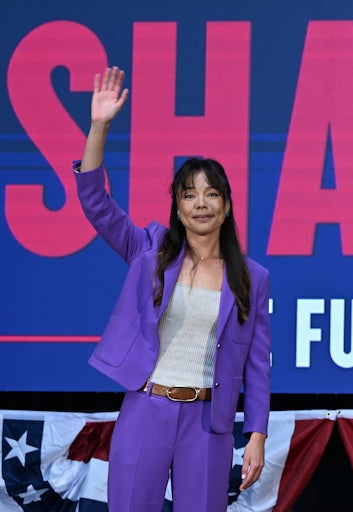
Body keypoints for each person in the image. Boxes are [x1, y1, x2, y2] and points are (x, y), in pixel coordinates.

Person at [74, 66, 271, 511]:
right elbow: (95, 203)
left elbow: (258, 365)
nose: (200, 203)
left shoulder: (251, 277)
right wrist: (99, 126)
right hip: (146, 409)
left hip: (209, 422)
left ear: (226, 206)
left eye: (211, 194)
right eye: (188, 195)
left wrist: (256, 432)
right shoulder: (148, 252)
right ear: (178, 209)